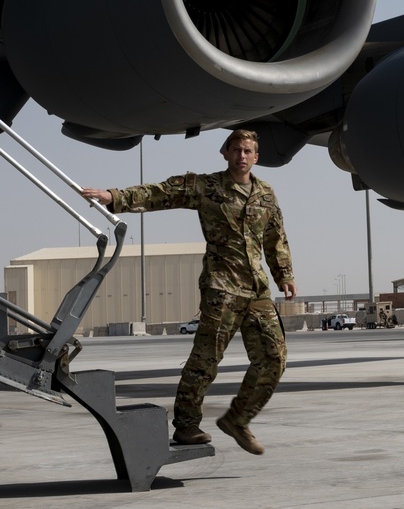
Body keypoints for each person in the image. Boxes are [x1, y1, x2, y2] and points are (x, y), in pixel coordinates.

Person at [82, 129, 296, 455]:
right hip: (221, 287)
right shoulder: (206, 187)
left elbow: (275, 236)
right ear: (225, 153)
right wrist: (115, 197)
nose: (241, 156)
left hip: (257, 289)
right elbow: (161, 193)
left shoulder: (266, 194)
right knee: (205, 360)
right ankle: (187, 425)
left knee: (274, 358)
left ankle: (238, 419)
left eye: (248, 151)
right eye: (235, 149)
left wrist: (285, 275)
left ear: (256, 157)